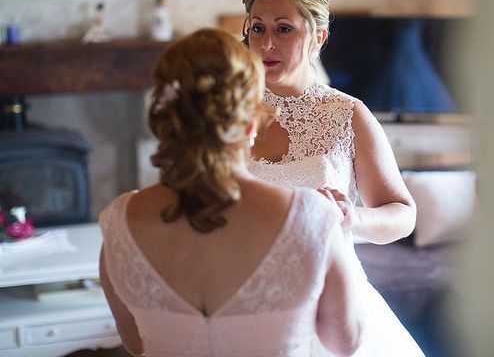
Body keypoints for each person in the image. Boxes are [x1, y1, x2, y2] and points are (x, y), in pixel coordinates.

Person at [99, 28, 363, 357]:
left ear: (167, 120)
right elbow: (345, 343)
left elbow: (137, 345)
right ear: (251, 124)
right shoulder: (312, 218)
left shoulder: (119, 224)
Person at [242, 0, 425, 356]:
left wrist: (354, 217)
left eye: (283, 29)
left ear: (318, 36)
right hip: (245, 304)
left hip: (330, 312)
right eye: (257, 28)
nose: (267, 44)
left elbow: (403, 215)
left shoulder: (348, 116)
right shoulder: (230, 114)